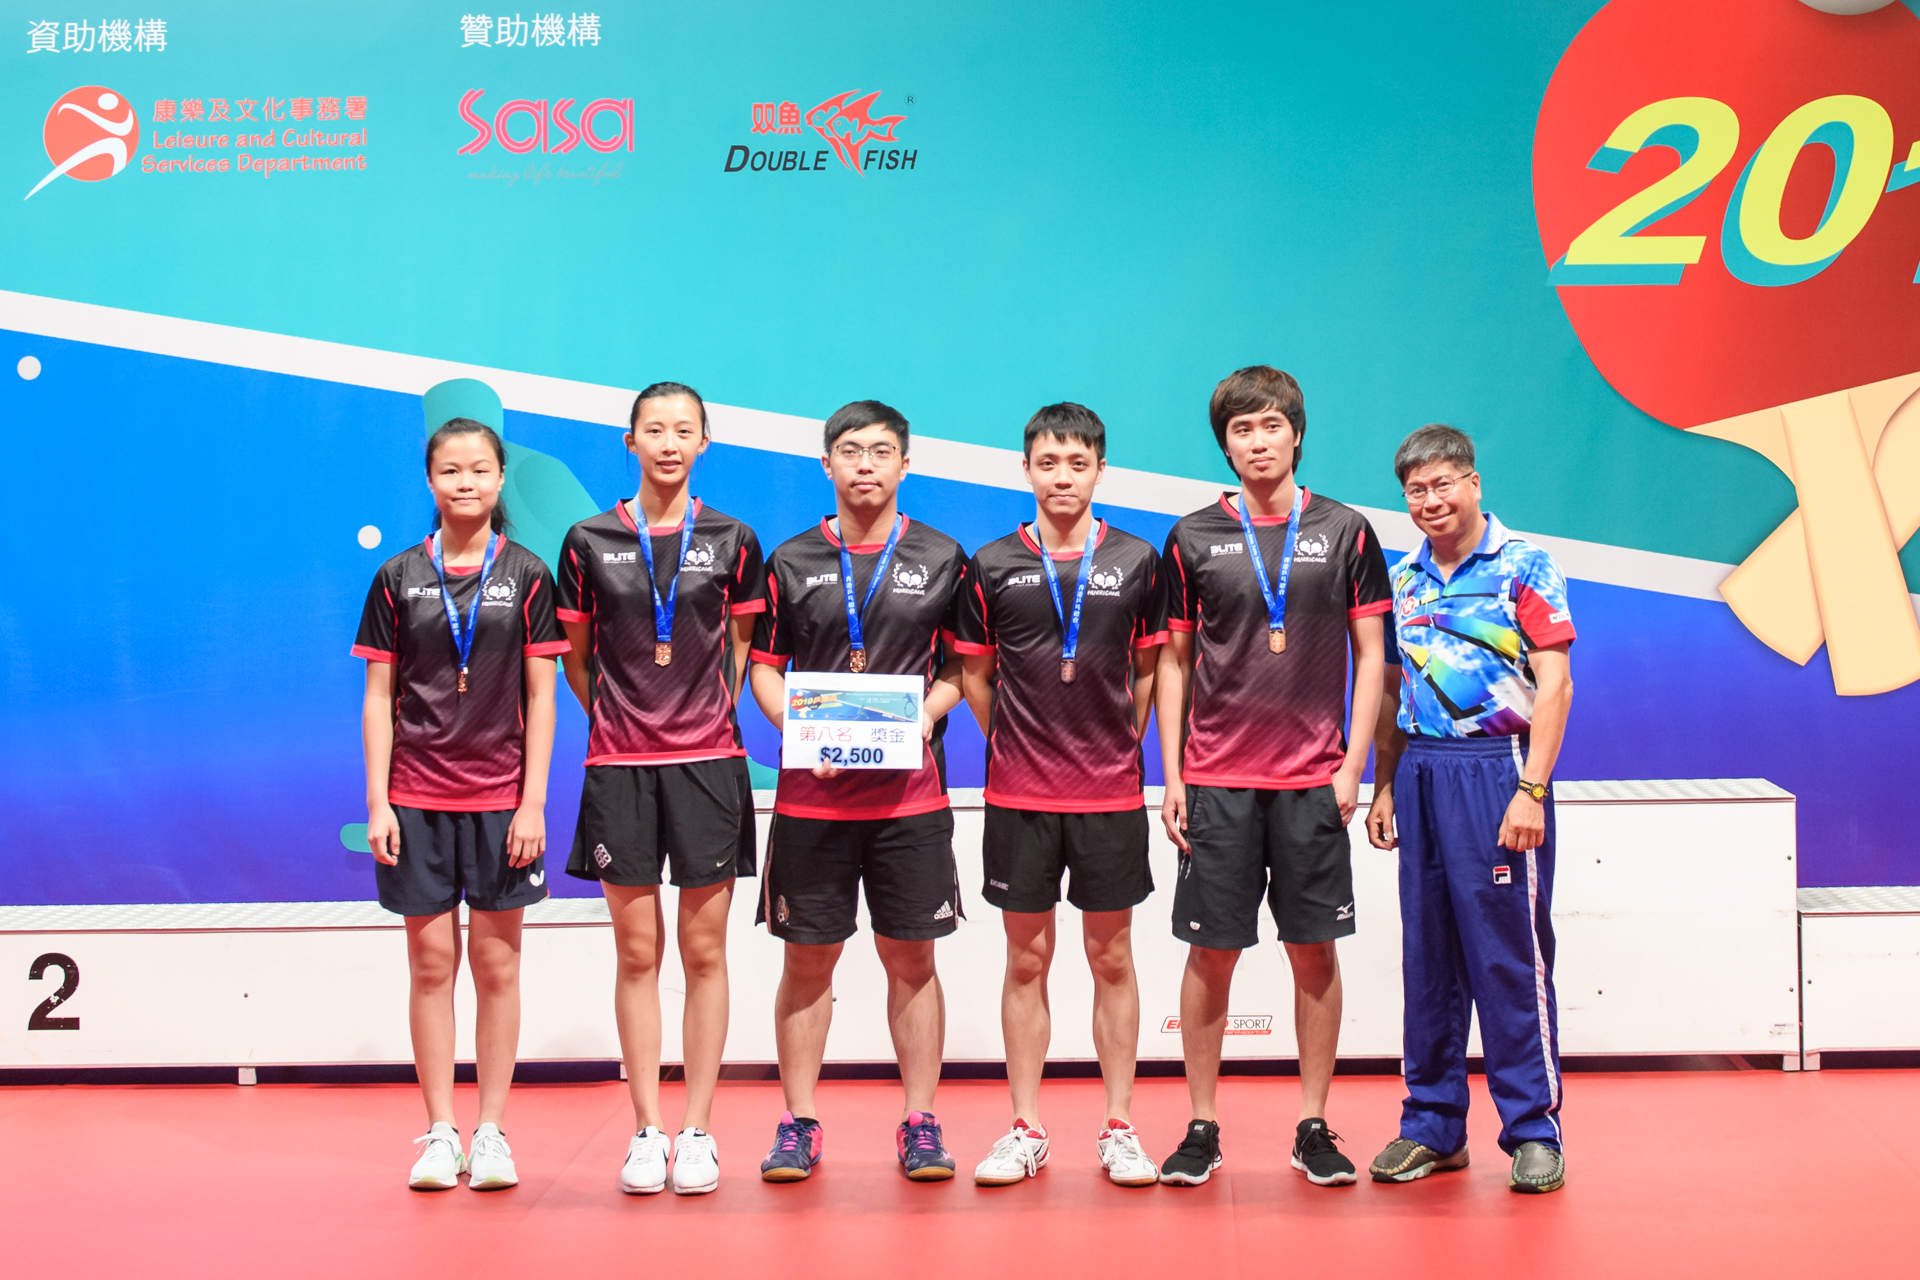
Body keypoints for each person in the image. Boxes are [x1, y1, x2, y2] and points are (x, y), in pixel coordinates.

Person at [1154, 366, 1390, 1188]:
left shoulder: (1347, 530)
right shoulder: (1191, 537)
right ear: (1226, 446)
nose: (1257, 442)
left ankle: (1313, 1125)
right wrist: (1173, 774)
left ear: (1296, 433)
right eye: (1241, 430)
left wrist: (1353, 766)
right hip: (1217, 779)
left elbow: (1372, 656)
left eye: (1270, 426)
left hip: (1311, 781)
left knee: (1312, 950)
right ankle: (1201, 1125)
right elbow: (1175, 662)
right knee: (1210, 953)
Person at [748, 400, 969, 1183]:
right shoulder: (791, 559)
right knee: (809, 960)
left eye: (880, 451)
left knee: (912, 959)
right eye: (850, 450)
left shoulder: (943, 557)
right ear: (827, 465)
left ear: (906, 464)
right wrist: (801, 732)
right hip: (813, 801)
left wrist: (921, 720)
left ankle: (920, 1120)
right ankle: (798, 1121)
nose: (865, 464)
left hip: (911, 800)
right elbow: (763, 668)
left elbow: (960, 668)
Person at [555, 382, 767, 1196]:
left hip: (709, 765)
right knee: (637, 953)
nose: (669, 443)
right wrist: (624, 720)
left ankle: (699, 1129)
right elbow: (578, 660)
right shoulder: (589, 540)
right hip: (618, 767)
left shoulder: (732, 538)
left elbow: (739, 648)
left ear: (704, 442)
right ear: (630, 441)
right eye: (655, 430)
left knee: (705, 952)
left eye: (684, 430)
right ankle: (647, 1130)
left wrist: (696, 718)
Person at [353, 417, 571, 1191]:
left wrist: (532, 803)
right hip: (415, 799)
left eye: (480, 469)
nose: (466, 482)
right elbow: (379, 697)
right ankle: (441, 1131)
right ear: (430, 480)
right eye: (450, 470)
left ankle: (492, 1133)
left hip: (501, 800)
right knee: (431, 964)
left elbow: (542, 697)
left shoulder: (530, 575)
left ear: (501, 477)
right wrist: (378, 802)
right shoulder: (397, 577)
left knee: (497, 966)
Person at [951, 403, 1165, 1188]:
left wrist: (1123, 742)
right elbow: (975, 674)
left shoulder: (1137, 560)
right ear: (1026, 470)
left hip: (1109, 795)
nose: (1062, 478)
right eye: (1048, 463)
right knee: (1026, 959)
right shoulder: (991, 564)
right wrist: (1010, 739)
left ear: (1100, 470)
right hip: (1020, 795)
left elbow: (1150, 668)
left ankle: (1119, 1126)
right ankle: (1026, 1127)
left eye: (1077, 464)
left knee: (1112, 957)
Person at [1364, 424, 1575, 1195]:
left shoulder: (1523, 564)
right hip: (1421, 769)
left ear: (1474, 483)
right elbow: (1393, 691)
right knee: (1428, 957)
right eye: (1415, 490)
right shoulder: (1404, 578)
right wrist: (1386, 784)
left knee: (1507, 957)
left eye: (1443, 484)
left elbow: (1556, 685)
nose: (1430, 500)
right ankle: (1432, 1125)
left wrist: (1531, 790)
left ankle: (1534, 1130)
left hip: (1498, 771)